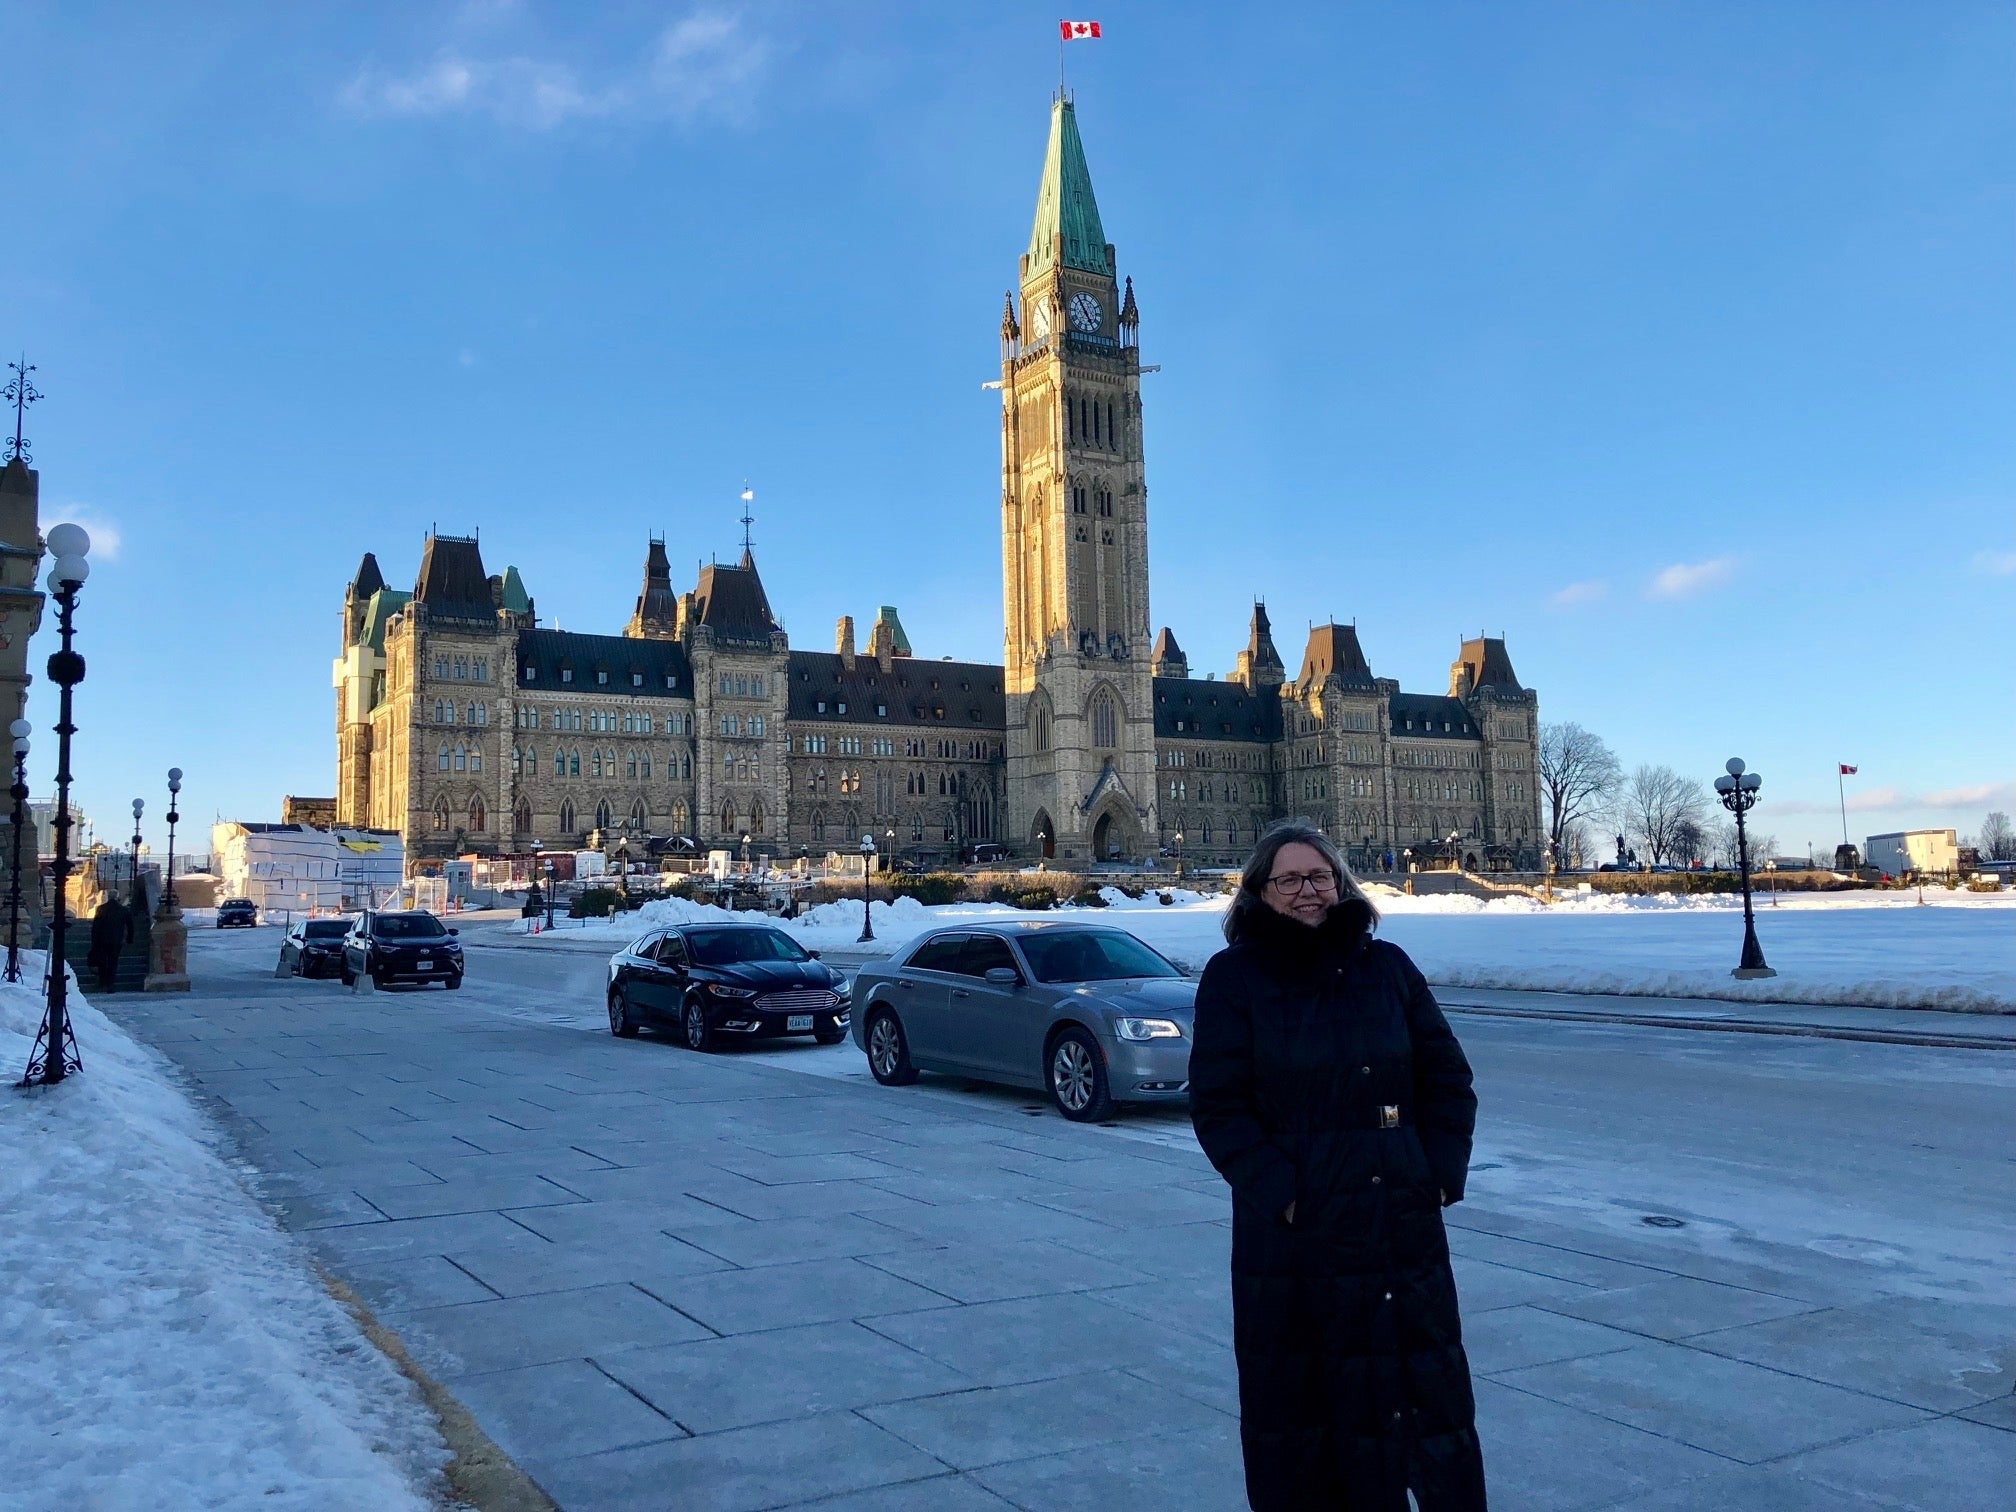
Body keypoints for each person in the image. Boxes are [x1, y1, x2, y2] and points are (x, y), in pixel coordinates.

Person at [1190, 821, 1485, 1511]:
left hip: (1400, 1232)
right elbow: (1220, 1110)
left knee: (1422, 1407)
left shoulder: (1389, 969)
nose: (1307, 892)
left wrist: (1436, 1173)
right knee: (1308, 1419)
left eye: (1319, 877)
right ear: (1259, 892)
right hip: (1295, 1246)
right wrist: (1289, 1197)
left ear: (1342, 883)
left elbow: (1448, 1080)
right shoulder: (1234, 979)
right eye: (1288, 880)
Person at [88, 893, 133, 993]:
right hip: (116, 940)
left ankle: (103, 981)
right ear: (118, 897)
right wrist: (129, 939)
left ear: (108, 897)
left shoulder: (101, 908)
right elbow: (130, 926)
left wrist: (94, 941)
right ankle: (110, 984)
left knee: (103, 961)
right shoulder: (123, 910)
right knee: (113, 961)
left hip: (102, 940)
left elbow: (96, 927)